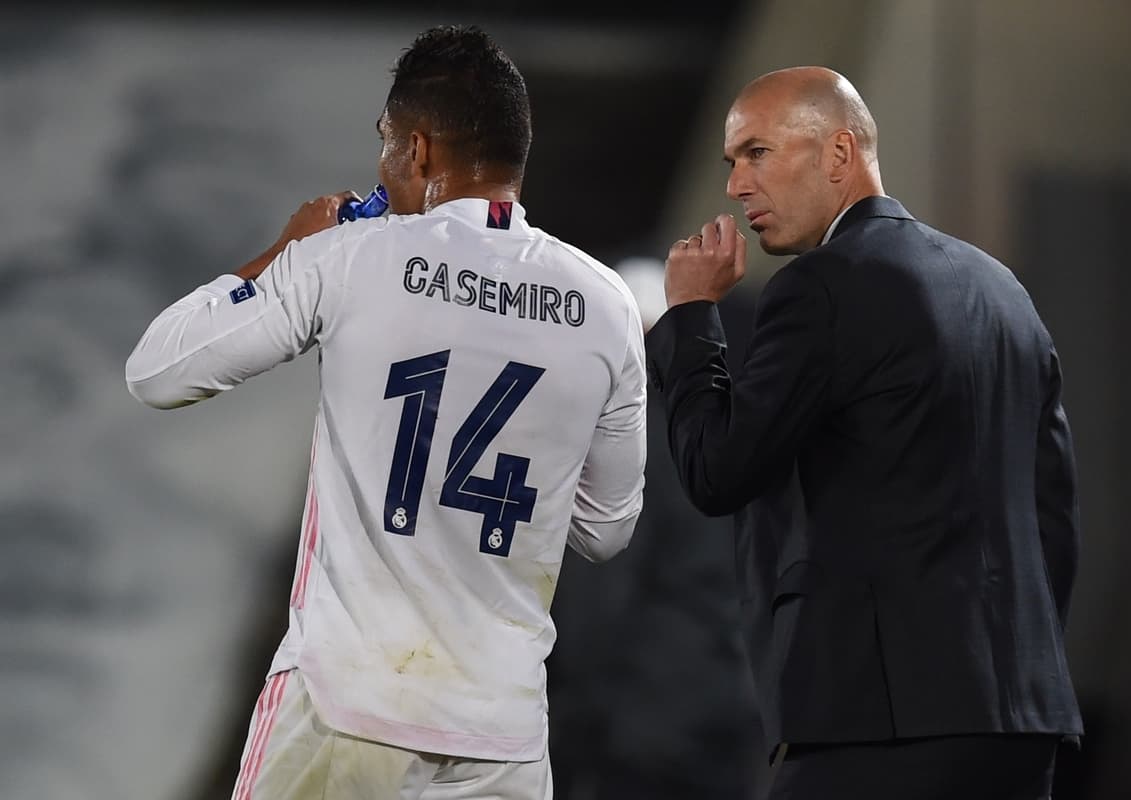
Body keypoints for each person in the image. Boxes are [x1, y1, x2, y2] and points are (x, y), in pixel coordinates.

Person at [125, 25, 646, 800]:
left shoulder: (351, 257)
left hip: (349, 709)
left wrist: (285, 247)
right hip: (499, 737)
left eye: (385, 143)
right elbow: (607, 531)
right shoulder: (605, 304)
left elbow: (159, 370)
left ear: (420, 150)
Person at [645, 66, 1082, 800]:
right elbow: (1054, 518)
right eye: (730, 162)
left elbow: (716, 470)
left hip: (879, 721)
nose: (735, 185)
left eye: (756, 153)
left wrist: (692, 316)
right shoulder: (1005, 292)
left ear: (839, 154)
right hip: (1020, 721)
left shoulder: (824, 286)